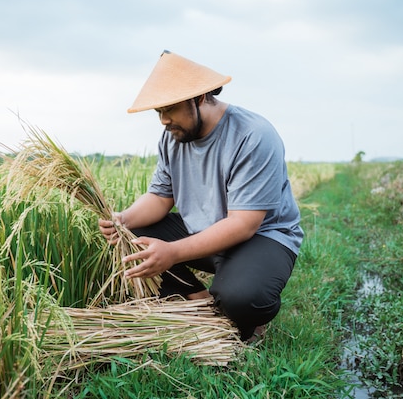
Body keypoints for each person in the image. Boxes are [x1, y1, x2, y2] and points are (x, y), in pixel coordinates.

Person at [98, 50, 303, 342]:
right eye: (159, 112)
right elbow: (159, 197)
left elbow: (244, 224)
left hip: (261, 237)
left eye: (170, 109)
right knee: (131, 234)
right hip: (204, 230)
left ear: (199, 98)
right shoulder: (174, 137)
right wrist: (122, 219)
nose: (164, 120)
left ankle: (248, 315)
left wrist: (172, 253)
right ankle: (200, 298)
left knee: (241, 299)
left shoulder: (253, 135)